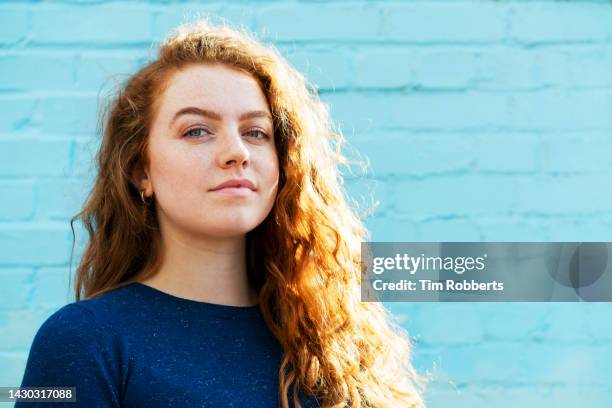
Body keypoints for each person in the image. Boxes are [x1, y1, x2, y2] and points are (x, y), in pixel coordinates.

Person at [16, 18, 425, 408]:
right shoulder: (83, 341)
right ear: (142, 171)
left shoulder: (333, 341)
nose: (237, 152)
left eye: (255, 132)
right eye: (197, 131)